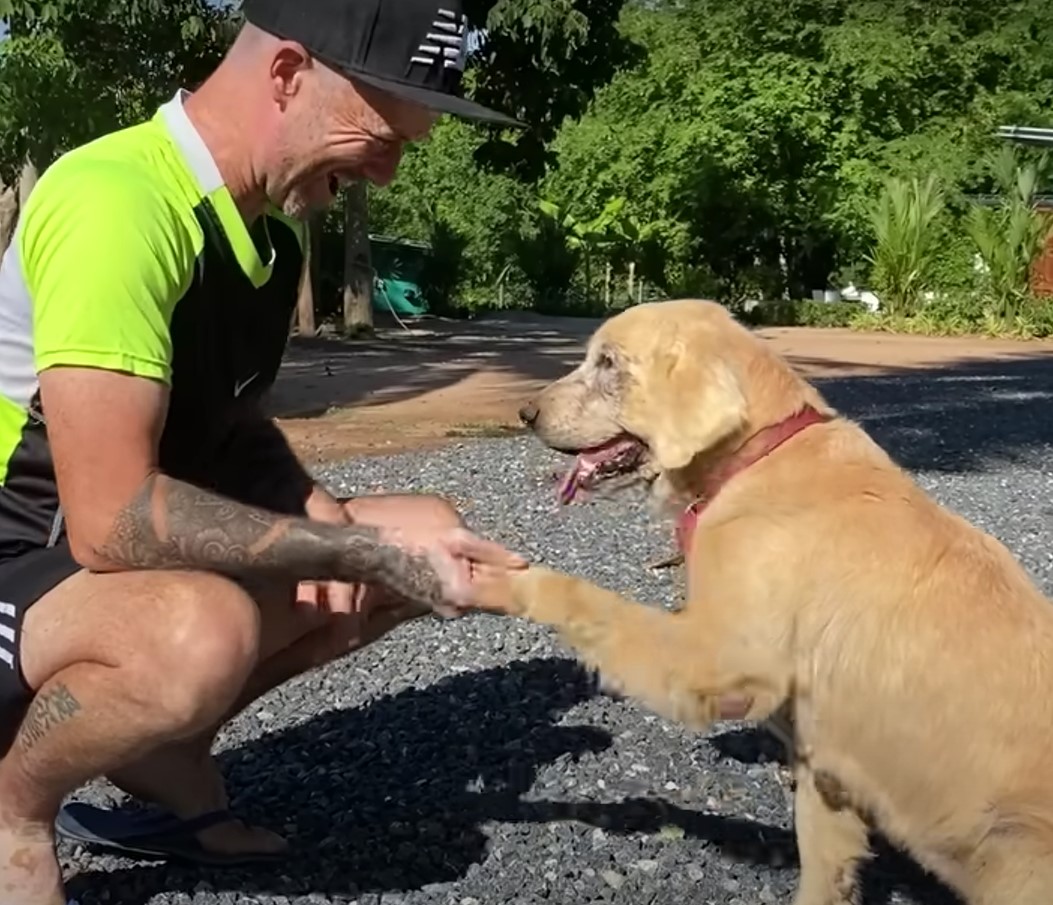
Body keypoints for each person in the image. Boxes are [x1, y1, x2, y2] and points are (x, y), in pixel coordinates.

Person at [0, 0, 527, 901]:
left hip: (82, 571)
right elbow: (111, 521)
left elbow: (234, 427)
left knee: (425, 538)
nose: (390, 174)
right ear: (287, 74)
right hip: (22, 554)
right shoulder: (115, 202)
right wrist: (343, 545)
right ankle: (16, 807)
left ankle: (162, 765)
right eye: (381, 133)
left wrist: (330, 523)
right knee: (198, 631)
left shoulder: (267, 235)